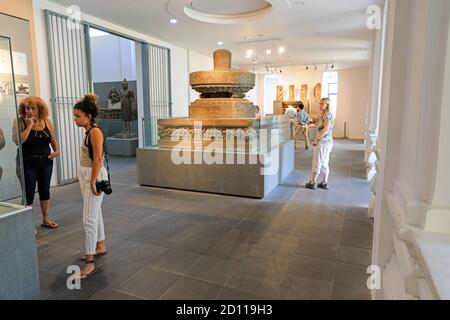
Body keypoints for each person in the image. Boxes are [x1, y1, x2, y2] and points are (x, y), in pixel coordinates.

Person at [73, 93, 108, 280]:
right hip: (86, 175)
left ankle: (89, 263)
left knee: (88, 219)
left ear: (88, 116)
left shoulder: (94, 131)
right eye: (74, 116)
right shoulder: (89, 131)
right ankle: (100, 245)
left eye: (78, 116)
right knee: (96, 213)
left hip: (92, 176)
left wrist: (93, 180)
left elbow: (98, 159)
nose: (75, 120)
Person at [12, 97, 59, 229]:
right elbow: (18, 141)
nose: (30, 111)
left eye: (34, 108)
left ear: (40, 109)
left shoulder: (47, 121)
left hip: (46, 161)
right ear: (24, 109)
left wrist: (56, 151)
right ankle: (27, 225)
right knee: (28, 193)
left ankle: (45, 219)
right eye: (28, 108)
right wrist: (30, 125)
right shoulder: (19, 121)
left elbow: (53, 139)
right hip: (27, 162)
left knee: (45, 191)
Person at [305, 98, 334, 190]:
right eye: (320, 103)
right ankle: (324, 183)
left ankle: (313, 182)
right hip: (326, 142)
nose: (320, 105)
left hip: (323, 142)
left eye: (322, 104)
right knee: (324, 162)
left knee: (317, 161)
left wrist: (316, 139)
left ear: (327, 105)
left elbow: (325, 130)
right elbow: (318, 123)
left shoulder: (328, 115)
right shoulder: (324, 115)